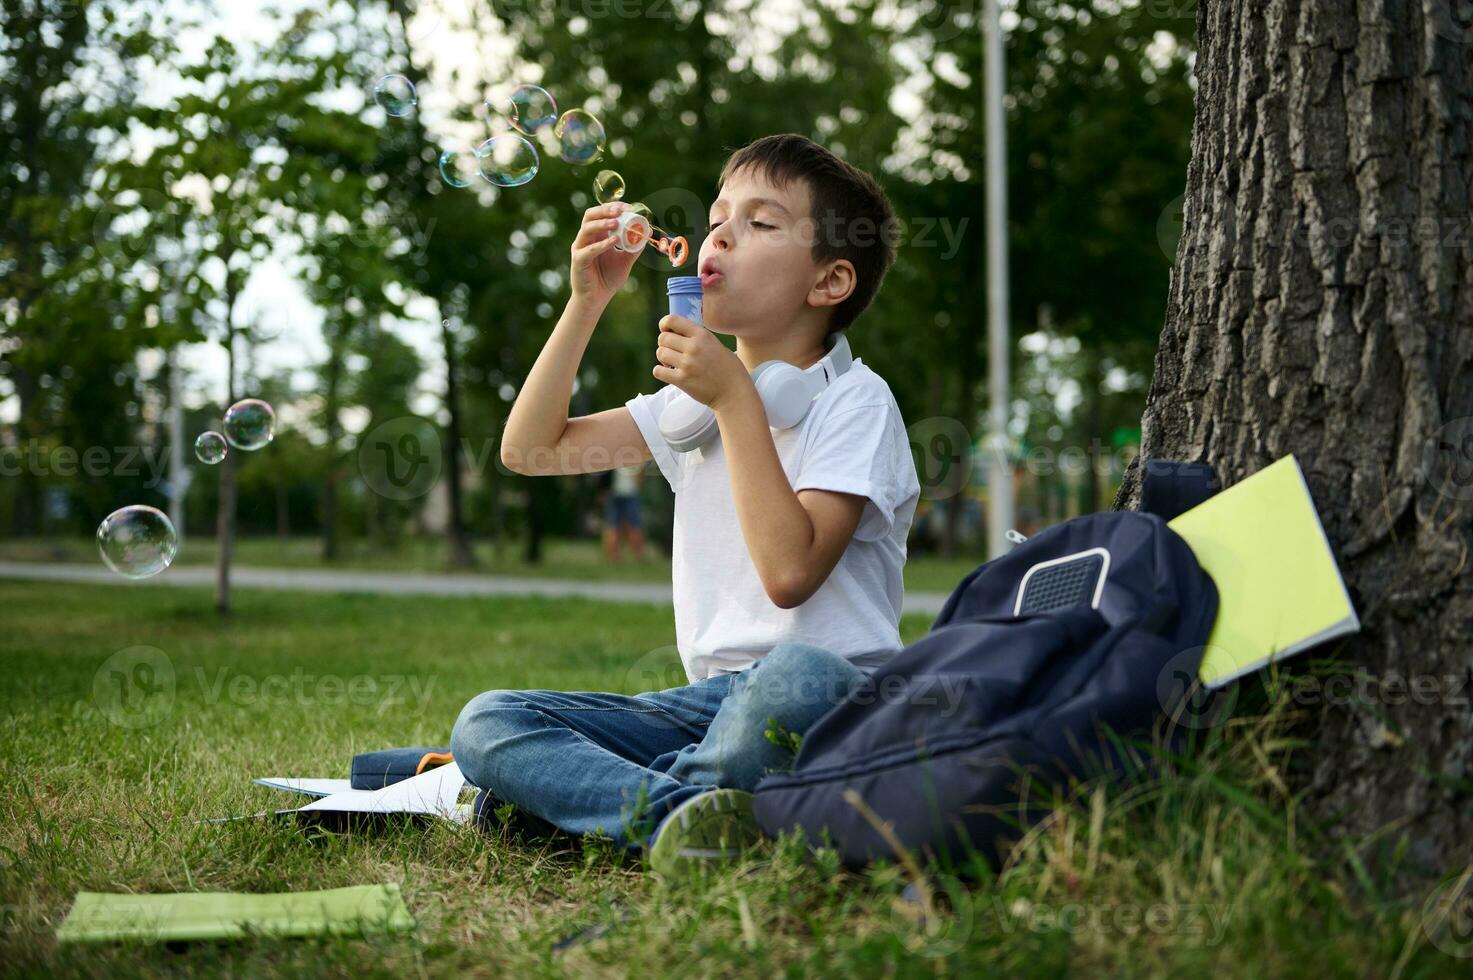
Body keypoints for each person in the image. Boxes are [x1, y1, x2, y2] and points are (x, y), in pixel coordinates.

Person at [454, 133, 921, 877]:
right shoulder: (691, 408)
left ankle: (592, 809)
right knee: (489, 721)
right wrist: (587, 302)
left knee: (800, 679)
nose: (722, 234)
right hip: (704, 707)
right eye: (715, 218)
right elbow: (529, 450)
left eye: (760, 223)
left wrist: (735, 400)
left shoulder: (855, 402)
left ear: (829, 282)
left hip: (833, 699)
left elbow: (789, 573)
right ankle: (690, 817)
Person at [600, 462, 648, 562]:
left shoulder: (612, 452)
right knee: (634, 526)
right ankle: (639, 556)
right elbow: (641, 474)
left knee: (613, 526)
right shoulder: (636, 453)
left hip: (615, 492)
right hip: (629, 492)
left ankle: (614, 557)